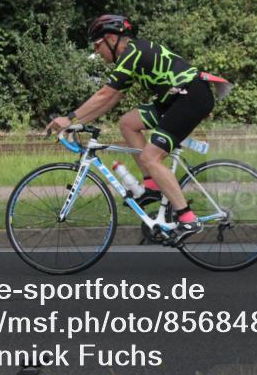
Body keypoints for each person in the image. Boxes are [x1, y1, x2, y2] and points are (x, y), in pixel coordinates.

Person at [46, 14, 216, 245]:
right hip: (173, 97)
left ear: (111, 38)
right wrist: (78, 122)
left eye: (98, 46)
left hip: (190, 95)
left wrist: (70, 118)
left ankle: (187, 218)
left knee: (151, 157)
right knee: (128, 123)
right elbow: (110, 99)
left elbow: (104, 94)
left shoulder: (132, 54)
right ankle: (152, 185)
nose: (97, 53)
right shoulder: (131, 55)